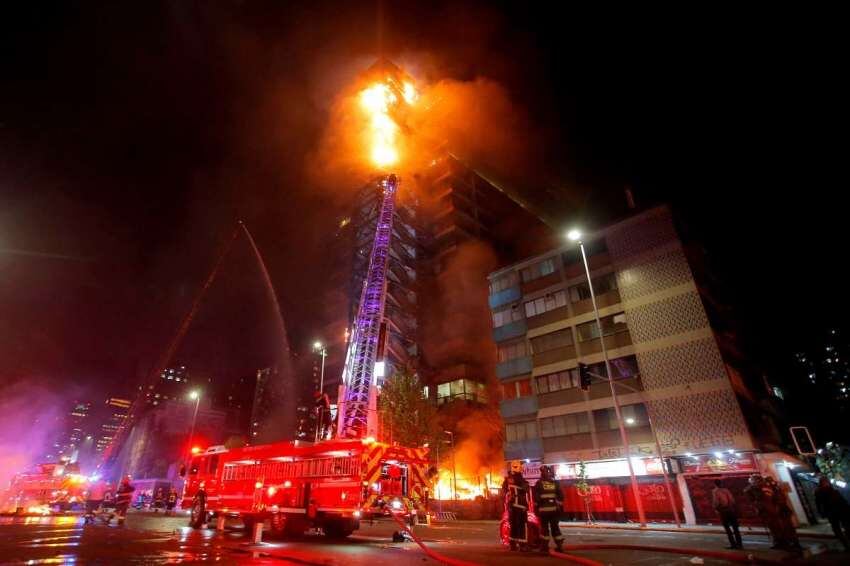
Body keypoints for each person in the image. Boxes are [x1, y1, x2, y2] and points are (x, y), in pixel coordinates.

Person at [532, 465, 564, 554]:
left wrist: (536, 509)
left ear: (542, 473)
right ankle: (560, 546)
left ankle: (544, 547)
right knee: (555, 528)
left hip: (543, 511)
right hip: (554, 511)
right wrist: (559, 506)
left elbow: (536, 498)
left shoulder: (539, 483)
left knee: (544, 529)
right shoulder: (554, 483)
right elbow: (561, 496)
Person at [815, 476, 850, 551]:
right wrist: (822, 512)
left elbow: (841, 499)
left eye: (826, 482)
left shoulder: (832, 489)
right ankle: (846, 544)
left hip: (840, 510)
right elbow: (818, 503)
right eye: (824, 482)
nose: (826, 483)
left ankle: (847, 544)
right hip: (832, 512)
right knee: (837, 528)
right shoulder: (820, 491)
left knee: (845, 526)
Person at [502, 460, 530, 551]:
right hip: (520, 506)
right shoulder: (520, 479)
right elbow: (526, 489)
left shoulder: (508, 479)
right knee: (522, 525)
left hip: (512, 506)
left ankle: (512, 545)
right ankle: (522, 545)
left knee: (513, 525)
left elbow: (504, 490)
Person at [711, 479, 742, 549]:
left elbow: (716, 502)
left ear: (715, 484)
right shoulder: (726, 490)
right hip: (731, 510)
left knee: (728, 529)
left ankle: (733, 544)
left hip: (723, 511)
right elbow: (732, 500)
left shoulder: (715, 491)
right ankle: (739, 544)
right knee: (735, 528)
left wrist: (715, 508)